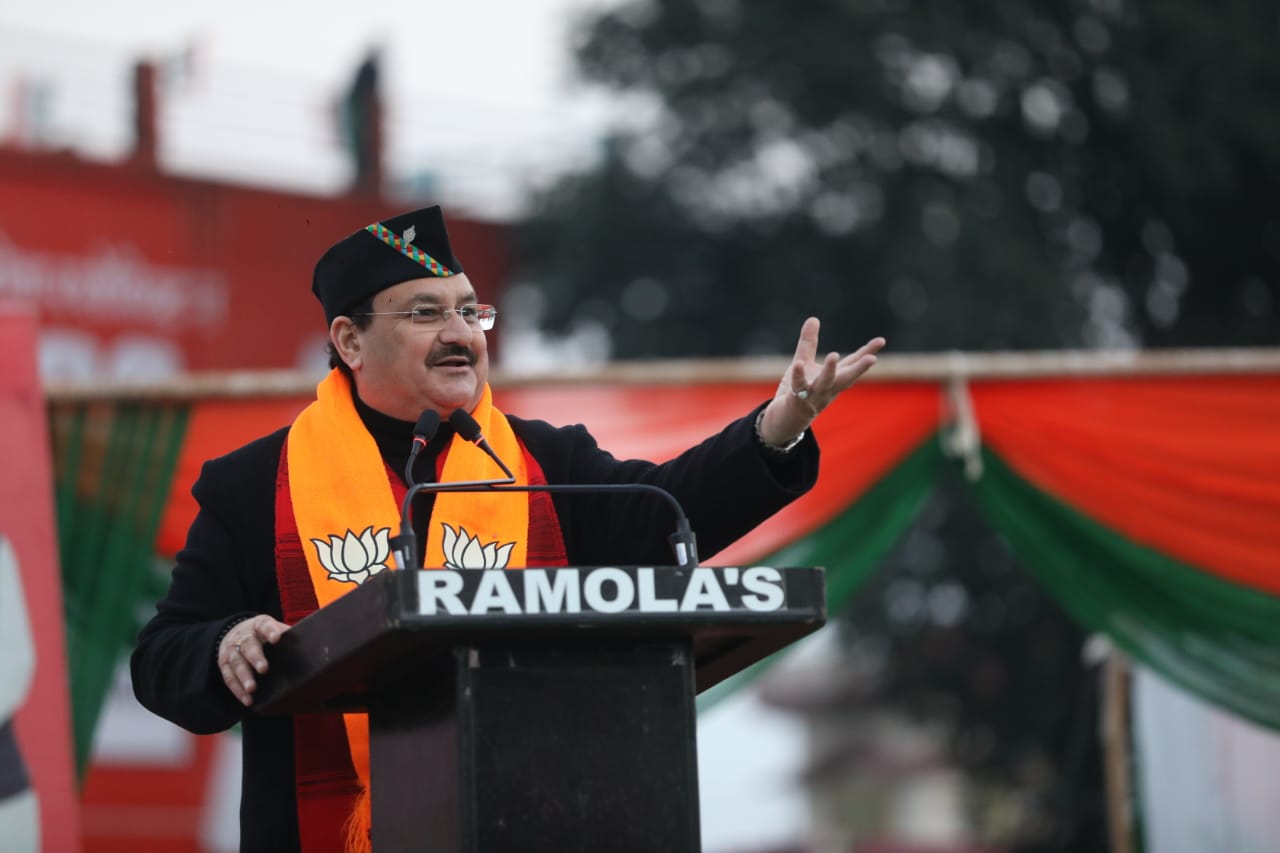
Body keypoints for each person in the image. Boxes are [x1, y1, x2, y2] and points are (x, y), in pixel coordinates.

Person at [130, 205, 885, 852]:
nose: (462, 332)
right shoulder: (255, 486)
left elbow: (668, 510)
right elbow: (162, 659)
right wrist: (224, 642)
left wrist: (777, 428)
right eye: (427, 313)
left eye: (470, 310)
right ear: (350, 341)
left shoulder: (542, 461)